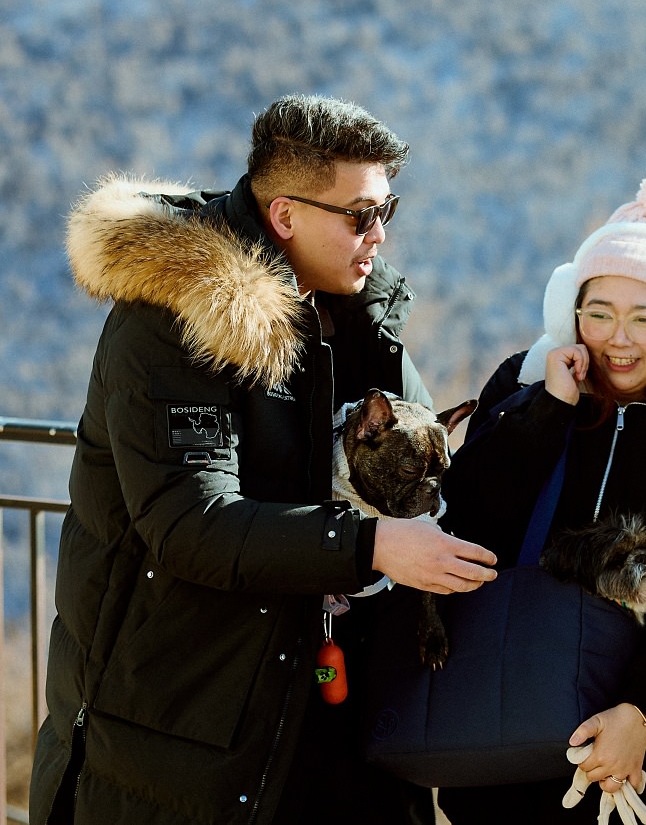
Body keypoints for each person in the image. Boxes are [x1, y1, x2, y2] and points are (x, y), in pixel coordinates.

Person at [30, 94, 498, 825]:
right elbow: (189, 523)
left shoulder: (362, 319)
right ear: (285, 216)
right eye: (359, 215)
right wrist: (369, 546)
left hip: (325, 722)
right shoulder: (174, 318)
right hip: (178, 724)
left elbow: (429, 479)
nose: (379, 236)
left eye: (387, 210)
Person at [434, 170, 646, 824]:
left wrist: (643, 709)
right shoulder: (527, 386)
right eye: (599, 314)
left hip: (616, 731)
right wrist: (548, 409)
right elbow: (464, 514)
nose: (618, 338)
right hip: (492, 703)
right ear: (569, 311)